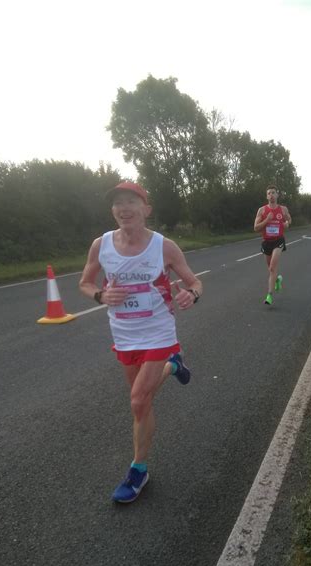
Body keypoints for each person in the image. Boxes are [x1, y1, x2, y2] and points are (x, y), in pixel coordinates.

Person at [79, 182, 202, 503]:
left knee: (136, 400)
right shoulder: (100, 245)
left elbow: (194, 281)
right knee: (142, 402)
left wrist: (192, 294)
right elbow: (84, 282)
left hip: (159, 331)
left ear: (146, 209)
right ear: (112, 211)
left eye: (131, 201)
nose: (124, 207)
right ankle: (174, 365)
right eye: (118, 203)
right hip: (124, 335)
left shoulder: (164, 246)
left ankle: (138, 470)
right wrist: (100, 295)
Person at [253, 185, 292, 305]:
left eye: (273, 193)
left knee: (272, 268)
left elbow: (289, 220)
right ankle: (277, 280)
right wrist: (267, 220)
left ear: (277, 195)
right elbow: (255, 228)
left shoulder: (283, 209)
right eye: (269, 193)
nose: (271, 195)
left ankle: (269, 295)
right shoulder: (262, 210)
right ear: (266, 196)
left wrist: (287, 224)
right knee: (271, 269)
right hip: (266, 242)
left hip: (278, 241)